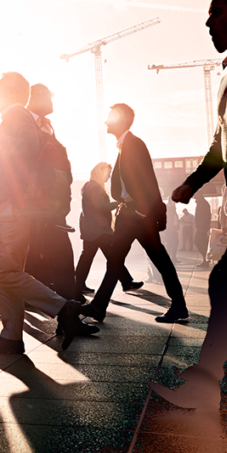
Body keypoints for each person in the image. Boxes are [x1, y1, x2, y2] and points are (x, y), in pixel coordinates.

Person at [0, 72, 98, 355]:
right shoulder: (21, 116)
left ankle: (63, 308)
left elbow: (27, 149)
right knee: (7, 272)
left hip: (15, 207)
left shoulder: (16, 115)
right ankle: (10, 337)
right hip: (19, 207)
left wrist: (1, 136)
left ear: (8, 92)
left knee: (6, 273)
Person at [152, 0, 227, 410]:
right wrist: (192, 183)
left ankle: (206, 381)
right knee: (224, 282)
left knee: (225, 282)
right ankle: (206, 381)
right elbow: (221, 143)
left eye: (216, 13)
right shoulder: (226, 76)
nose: (208, 23)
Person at [81, 103, 188, 324]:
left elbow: (148, 179)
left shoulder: (134, 144)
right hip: (129, 215)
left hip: (137, 216)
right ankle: (99, 307)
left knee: (157, 259)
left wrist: (142, 212)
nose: (105, 122)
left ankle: (178, 305)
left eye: (110, 117)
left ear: (121, 121)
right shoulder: (124, 146)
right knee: (117, 260)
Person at [23, 83, 77, 300]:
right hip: (36, 204)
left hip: (52, 203)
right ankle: (65, 300)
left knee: (48, 251)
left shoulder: (47, 126)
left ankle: (65, 299)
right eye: (48, 96)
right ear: (36, 97)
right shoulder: (26, 123)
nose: (52, 101)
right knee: (42, 252)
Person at [74, 162, 142, 299]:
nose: (109, 176)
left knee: (87, 257)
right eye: (107, 173)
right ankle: (126, 282)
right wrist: (118, 202)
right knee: (113, 256)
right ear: (100, 172)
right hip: (99, 229)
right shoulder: (95, 187)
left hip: (91, 228)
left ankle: (78, 284)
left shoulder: (89, 186)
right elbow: (101, 207)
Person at [194, 192, 211, 269]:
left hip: (202, 228)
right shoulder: (201, 202)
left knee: (198, 242)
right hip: (201, 228)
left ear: (199, 194)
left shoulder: (203, 203)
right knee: (202, 243)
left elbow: (204, 217)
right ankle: (205, 260)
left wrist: (202, 228)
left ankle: (206, 259)